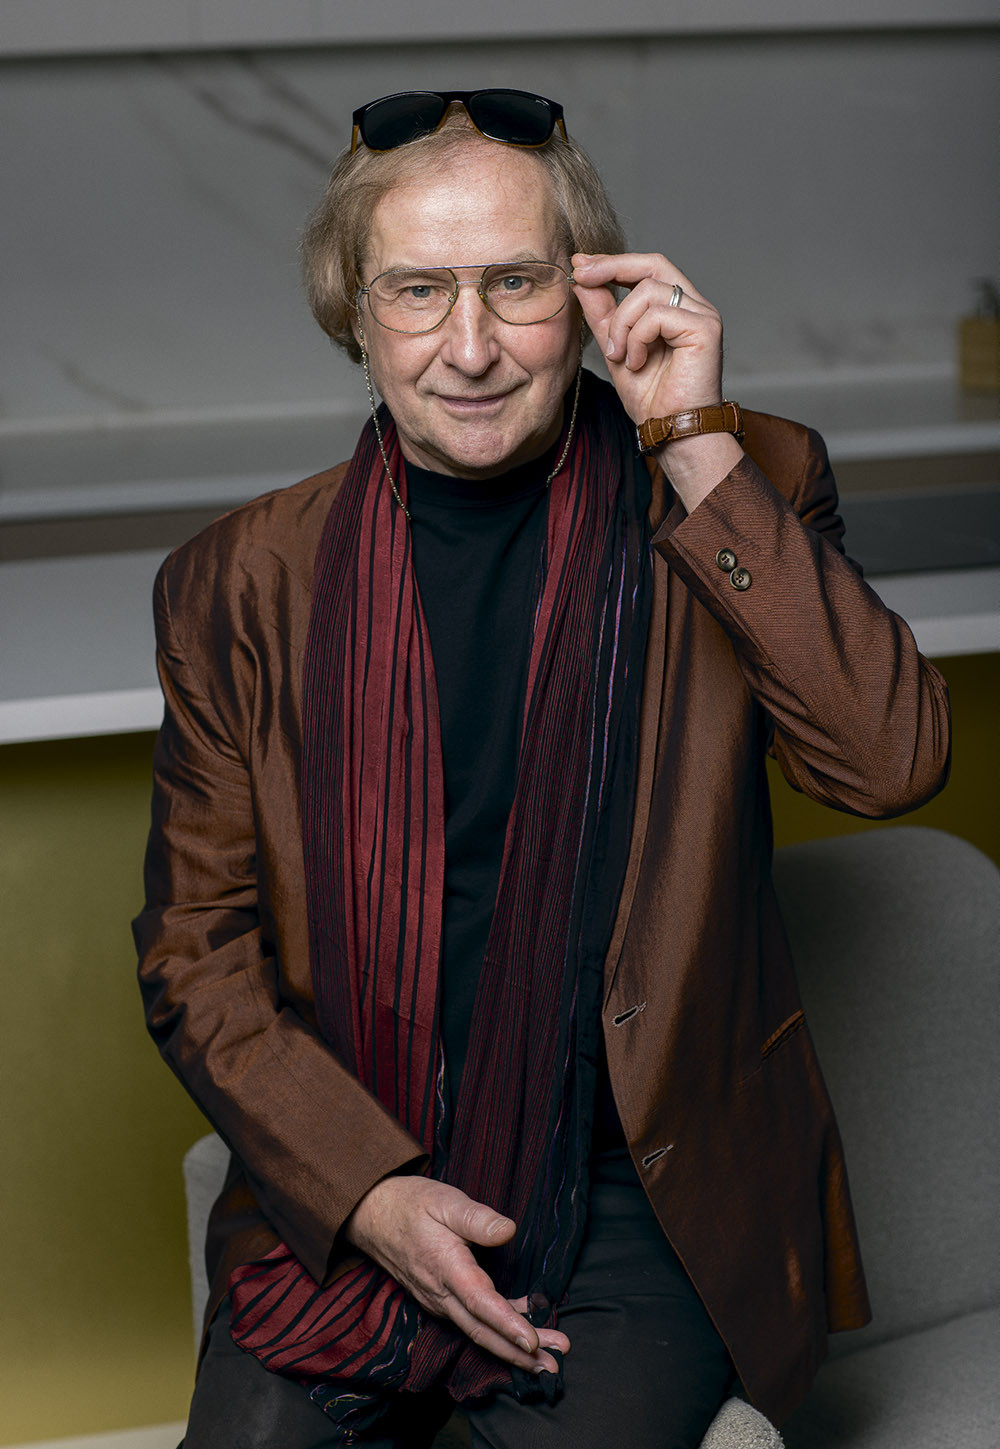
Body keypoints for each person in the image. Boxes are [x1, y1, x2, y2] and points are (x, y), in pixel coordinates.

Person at [134, 88, 951, 1448]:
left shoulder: (743, 476)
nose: (470, 348)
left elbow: (890, 759)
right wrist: (368, 1193)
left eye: (515, 283)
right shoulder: (237, 584)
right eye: (418, 291)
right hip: (358, 1162)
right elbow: (195, 953)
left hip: (641, 1186)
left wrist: (694, 443)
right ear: (353, 310)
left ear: (590, 292)